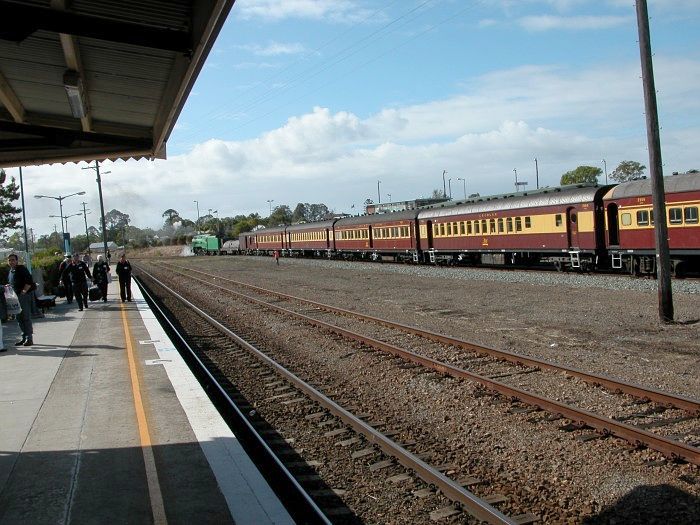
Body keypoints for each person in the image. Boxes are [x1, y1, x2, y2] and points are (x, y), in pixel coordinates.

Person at [7, 253, 34, 346]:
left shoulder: (21, 269)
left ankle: (29, 338)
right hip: (15, 298)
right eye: (9, 260)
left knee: (26, 317)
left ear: (17, 261)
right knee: (19, 318)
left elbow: (29, 281)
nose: (11, 262)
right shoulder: (11, 271)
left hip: (23, 297)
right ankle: (24, 337)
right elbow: (13, 283)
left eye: (13, 260)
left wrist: (23, 292)